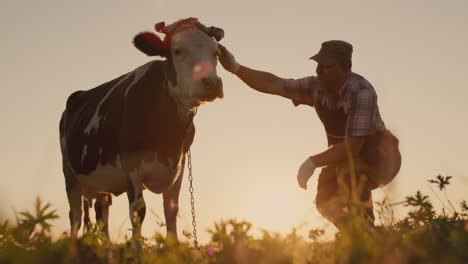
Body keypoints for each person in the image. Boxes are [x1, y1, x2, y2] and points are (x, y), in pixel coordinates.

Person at [218, 40, 401, 231]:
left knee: (349, 169)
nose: (319, 70)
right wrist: (235, 68)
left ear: (345, 68)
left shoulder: (361, 91)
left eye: (327, 66)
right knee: (325, 201)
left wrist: (312, 162)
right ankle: (356, 236)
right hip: (344, 157)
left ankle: (368, 231)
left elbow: (354, 146)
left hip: (381, 157)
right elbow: (273, 84)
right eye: (318, 64)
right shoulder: (315, 86)